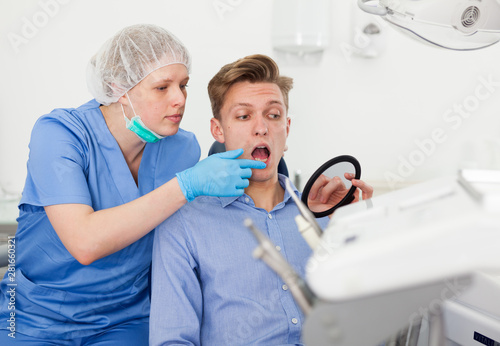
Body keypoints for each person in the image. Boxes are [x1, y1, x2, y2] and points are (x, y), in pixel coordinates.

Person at [0, 24, 265, 345]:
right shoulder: (59, 134)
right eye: (162, 87)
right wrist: (187, 186)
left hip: (125, 317)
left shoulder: (182, 149)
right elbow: (84, 243)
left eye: (183, 85)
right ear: (119, 87)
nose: (179, 99)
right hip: (34, 314)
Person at [149, 54, 373, 345]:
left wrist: (360, 229)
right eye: (243, 116)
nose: (261, 128)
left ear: (287, 129)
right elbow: (171, 340)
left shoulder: (321, 216)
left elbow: (367, 321)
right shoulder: (183, 226)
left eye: (273, 115)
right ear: (218, 130)